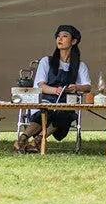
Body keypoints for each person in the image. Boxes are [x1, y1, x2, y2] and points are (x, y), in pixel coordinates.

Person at [14, 25, 91, 153]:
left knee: (64, 112)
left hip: (66, 103)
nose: (60, 39)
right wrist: (55, 90)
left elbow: (87, 86)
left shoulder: (80, 66)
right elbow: (41, 85)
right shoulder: (47, 61)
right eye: (58, 36)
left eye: (64, 36)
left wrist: (76, 87)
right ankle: (22, 140)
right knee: (46, 111)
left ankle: (37, 141)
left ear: (74, 41)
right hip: (46, 100)